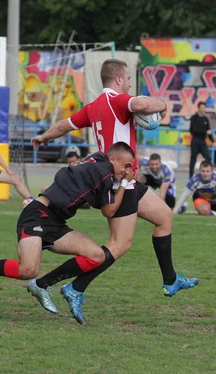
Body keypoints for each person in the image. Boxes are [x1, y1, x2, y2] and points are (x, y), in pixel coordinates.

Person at [31, 59, 198, 323]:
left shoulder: (95, 106)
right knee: (119, 245)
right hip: (117, 181)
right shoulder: (117, 101)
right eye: (129, 79)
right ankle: (66, 286)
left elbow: (63, 125)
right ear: (118, 79)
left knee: (164, 217)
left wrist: (43, 137)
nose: (131, 84)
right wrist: (163, 106)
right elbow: (143, 105)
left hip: (126, 179)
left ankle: (171, 280)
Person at [0, 142, 135, 324]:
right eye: (125, 165)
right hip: (38, 215)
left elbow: (82, 189)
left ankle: (42, 285)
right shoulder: (105, 173)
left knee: (96, 255)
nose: (127, 170)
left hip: (56, 223)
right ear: (112, 159)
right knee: (28, 269)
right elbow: (109, 211)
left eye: (130, 167)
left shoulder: (95, 160)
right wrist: (125, 183)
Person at [188, 102, 214, 178]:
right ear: (198, 108)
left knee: (208, 157)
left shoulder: (206, 119)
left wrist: (212, 141)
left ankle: (209, 174)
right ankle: (191, 177)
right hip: (195, 141)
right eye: (202, 107)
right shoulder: (194, 118)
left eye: (204, 108)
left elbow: (209, 131)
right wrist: (205, 132)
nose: (203, 109)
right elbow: (192, 130)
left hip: (203, 142)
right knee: (193, 159)